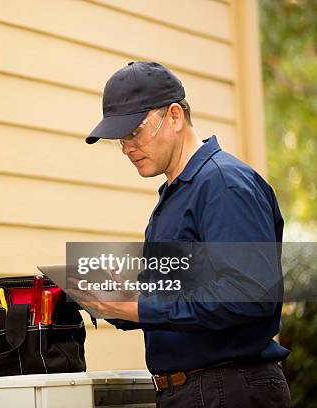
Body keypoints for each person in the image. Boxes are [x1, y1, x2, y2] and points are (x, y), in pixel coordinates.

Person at [82, 61, 290, 407]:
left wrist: (142, 307)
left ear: (175, 116)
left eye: (134, 131)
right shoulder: (176, 195)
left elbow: (248, 293)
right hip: (195, 391)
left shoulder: (223, 185)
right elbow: (183, 302)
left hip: (228, 388)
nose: (127, 147)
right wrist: (116, 302)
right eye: (120, 138)